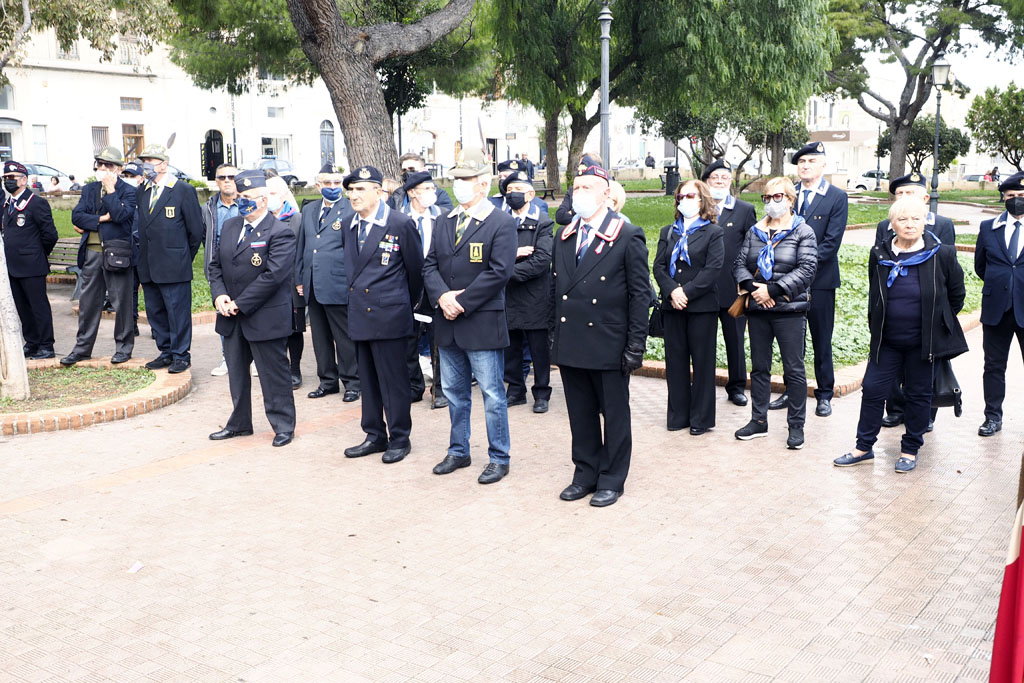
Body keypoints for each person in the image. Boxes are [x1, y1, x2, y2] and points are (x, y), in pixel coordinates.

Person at [834, 197, 966, 472]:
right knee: (872, 390)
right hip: (887, 341)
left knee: (918, 394)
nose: (909, 224)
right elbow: (875, 293)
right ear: (892, 224)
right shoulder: (880, 253)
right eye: (902, 219)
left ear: (925, 222)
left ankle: (910, 449)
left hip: (923, 343)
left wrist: (935, 322)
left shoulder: (942, 254)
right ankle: (863, 447)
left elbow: (956, 296)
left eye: (916, 219)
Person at [551, 163, 649, 507]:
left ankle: (611, 478)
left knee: (615, 415)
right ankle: (585, 473)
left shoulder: (627, 235)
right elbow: (555, 290)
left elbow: (640, 295)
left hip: (609, 342)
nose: (579, 194)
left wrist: (635, 345)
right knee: (580, 414)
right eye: (576, 189)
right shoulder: (564, 235)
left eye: (587, 188)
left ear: (607, 194)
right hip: (572, 340)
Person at [422, 147, 517, 485]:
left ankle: (499, 457)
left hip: (480, 321)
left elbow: (499, 272)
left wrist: (460, 301)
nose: (459, 184)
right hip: (447, 321)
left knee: (492, 394)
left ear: (483, 184)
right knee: (454, 392)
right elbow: (429, 265)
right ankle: (459, 450)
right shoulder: (444, 221)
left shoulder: (501, 222)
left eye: (466, 178)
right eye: (457, 178)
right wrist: (442, 296)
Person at [339, 166, 424, 464]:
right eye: (351, 190)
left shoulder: (399, 223)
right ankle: (374, 434)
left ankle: (399, 438)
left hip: (389, 316)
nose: (354, 195)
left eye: (361, 189)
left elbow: (415, 272)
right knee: (368, 380)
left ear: (379, 191)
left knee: (393, 381)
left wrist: (400, 305)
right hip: (360, 315)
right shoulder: (349, 224)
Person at [207, 170, 297, 448]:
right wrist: (220, 296)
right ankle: (239, 423)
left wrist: (240, 303)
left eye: (247, 197)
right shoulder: (231, 226)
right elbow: (215, 265)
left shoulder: (280, 232)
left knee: (273, 375)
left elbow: (273, 276)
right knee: (236, 374)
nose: (242, 201)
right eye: (240, 196)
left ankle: (283, 426)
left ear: (263, 200)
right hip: (231, 317)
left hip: (264, 317)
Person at [732, 176, 818, 449]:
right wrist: (754, 289)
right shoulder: (755, 230)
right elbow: (739, 263)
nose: (771, 202)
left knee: (794, 370)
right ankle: (758, 421)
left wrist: (773, 291)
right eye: (767, 198)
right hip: (759, 309)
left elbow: (806, 269)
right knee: (759, 368)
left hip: (789, 310)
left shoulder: (803, 231)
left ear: (790, 200)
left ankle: (796, 426)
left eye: (777, 197)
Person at [770, 142, 847, 417]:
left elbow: (831, 243)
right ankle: (792, 390)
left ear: (823, 165)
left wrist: (800, 267)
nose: (805, 166)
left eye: (811, 161)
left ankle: (824, 394)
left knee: (821, 339)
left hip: (820, 282)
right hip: (789, 283)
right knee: (792, 341)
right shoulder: (787, 194)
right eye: (801, 162)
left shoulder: (836, 197)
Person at [875, 172, 956, 430]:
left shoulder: (943, 224)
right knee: (891, 366)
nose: (903, 197)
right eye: (899, 194)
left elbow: (949, 278)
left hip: (927, 316)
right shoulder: (884, 226)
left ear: (925, 197)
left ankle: (925, 415)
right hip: (896, 314)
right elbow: (879, 269)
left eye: (909, 193)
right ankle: (896, 409)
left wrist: (940, 313)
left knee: (925, 372)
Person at [653, 179, 724, 434]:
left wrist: (686, 292)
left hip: (701, 307)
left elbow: (713, 269)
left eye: (690, 196)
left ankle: (701, 419)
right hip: (673, 306)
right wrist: (672, 291)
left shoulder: (713, 232)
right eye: (680, 197)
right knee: (675, 362)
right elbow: (659, 266)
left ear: (702, 199)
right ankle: (678, 415)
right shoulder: (668, 231)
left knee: (703, 363)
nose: (684, 200)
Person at [62, 146, 137, 366]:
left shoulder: (129, 191)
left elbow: (121, 215)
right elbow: (77, 217)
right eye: (100, 164)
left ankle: (123, 348)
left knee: (122, 303)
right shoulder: (89, 189)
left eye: (108, 165)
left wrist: (111, 191)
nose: (102, 168)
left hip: (117, 253)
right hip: (92, 253)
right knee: (88, 304)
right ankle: (82, 349)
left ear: (118, 169)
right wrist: (102, 219)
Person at [135, 144, 204, 373]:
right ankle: (165, 351)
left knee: (177, 313)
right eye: (144, 162)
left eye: (150, 162)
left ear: (164, 164)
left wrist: (182, 256)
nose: (145, 166)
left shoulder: (182, 190)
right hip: (149, 264)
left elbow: (195, 232)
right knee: (155, 312)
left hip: (174, 265)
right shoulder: (143, 190)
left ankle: (181, 355)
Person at [295, 163, 361, 402]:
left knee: (344, 337)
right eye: (327, 183)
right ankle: (327, 381)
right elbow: (302, 245)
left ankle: (353, 382)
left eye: (336, 183)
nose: (332, 187)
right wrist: (299, 277)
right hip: (312, 283)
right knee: (320, 338)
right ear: (318, 185)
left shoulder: (350, 208)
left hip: (338, 282)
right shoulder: (309, 209)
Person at [702, 158, 756, 406]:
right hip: (703, 289)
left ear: (731, 181)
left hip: (733, 288)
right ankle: (703, 387)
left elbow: (752, 249)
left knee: (735, 341)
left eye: (724, 177)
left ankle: (736, 387)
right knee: (703, 343)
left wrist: (746, 282)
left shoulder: (744, 210)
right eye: (715, 177)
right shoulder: (698, 208)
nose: (720, 181)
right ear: (706, 181)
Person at [501, 170, 554, 413]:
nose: (513, 194)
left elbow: (541, 260)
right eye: (509, 190)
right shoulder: (499, 221)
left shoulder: (543, 222)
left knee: (538, 349)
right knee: (510, 347)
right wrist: (513, 256)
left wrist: (504, 270)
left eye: (519, 190)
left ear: (531, 194)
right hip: (507, 295)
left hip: (535, 296)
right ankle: (515, 390)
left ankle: (541, 393)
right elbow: (490, 257)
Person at [975, 171, 1024, 437]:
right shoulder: (988, 227)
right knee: (993, 366)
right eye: (1011, 195)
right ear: (1003, 198)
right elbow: (980, 266)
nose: (1016, 199)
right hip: (997, 309)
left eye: (1021, 195)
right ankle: (992, 417)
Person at [400, 169, 448, 409]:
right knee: (408, 339)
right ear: (412, 193)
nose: (431, 193)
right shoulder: (399, 218)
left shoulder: (443, 217)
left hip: (436, 285)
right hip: (407, 287)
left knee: (439, 339)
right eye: (426, 189)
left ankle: (439, 389)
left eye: (432, 188)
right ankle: (413, 386)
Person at [2, 160, 58, 359]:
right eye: (5, 178)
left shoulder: (36, 203)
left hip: (32, 265)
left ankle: (46, 345)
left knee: (38, 307)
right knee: (23, 308)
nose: (8, 181)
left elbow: (50, 235)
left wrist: (37, 253)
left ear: (24, 180)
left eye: (12, 178)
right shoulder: (8, 204)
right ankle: (32, 342)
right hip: (13, 266)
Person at [266, 175, 305, 389]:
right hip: (267, 284)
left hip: (290, 283)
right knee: (272, 329)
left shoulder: (296, 219)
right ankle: (278, 369)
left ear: (283, 195)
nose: (269, 197)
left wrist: (299, 280)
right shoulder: (261, 219)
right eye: (267, 193)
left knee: (294, 330)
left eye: (273, 193)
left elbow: (301, 251)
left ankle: (295, 369)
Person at [201, 163, 239, 377]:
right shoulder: (208, 208)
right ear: (216, 181)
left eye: (231, 177)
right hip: (219, 269)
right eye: (222, 177)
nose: (227, 181)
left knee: (249, 311)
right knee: (224, 313)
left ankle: (252, 358)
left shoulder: (246, 204)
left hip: (246, 265)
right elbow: (203, 236)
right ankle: (228, 357)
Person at [389, 153, 453, 212]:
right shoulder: (397, 195)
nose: (407, 173)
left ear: (423, 170)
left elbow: (446, 216)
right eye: (404, 170)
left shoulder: (439, 194)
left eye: (412, 169)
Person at [556, 152, 603, 226]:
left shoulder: (603, 190)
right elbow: (560, 216)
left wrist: (572, 212)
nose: (581, 170)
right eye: (580, 166)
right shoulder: (573, 190)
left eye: (584, 166)